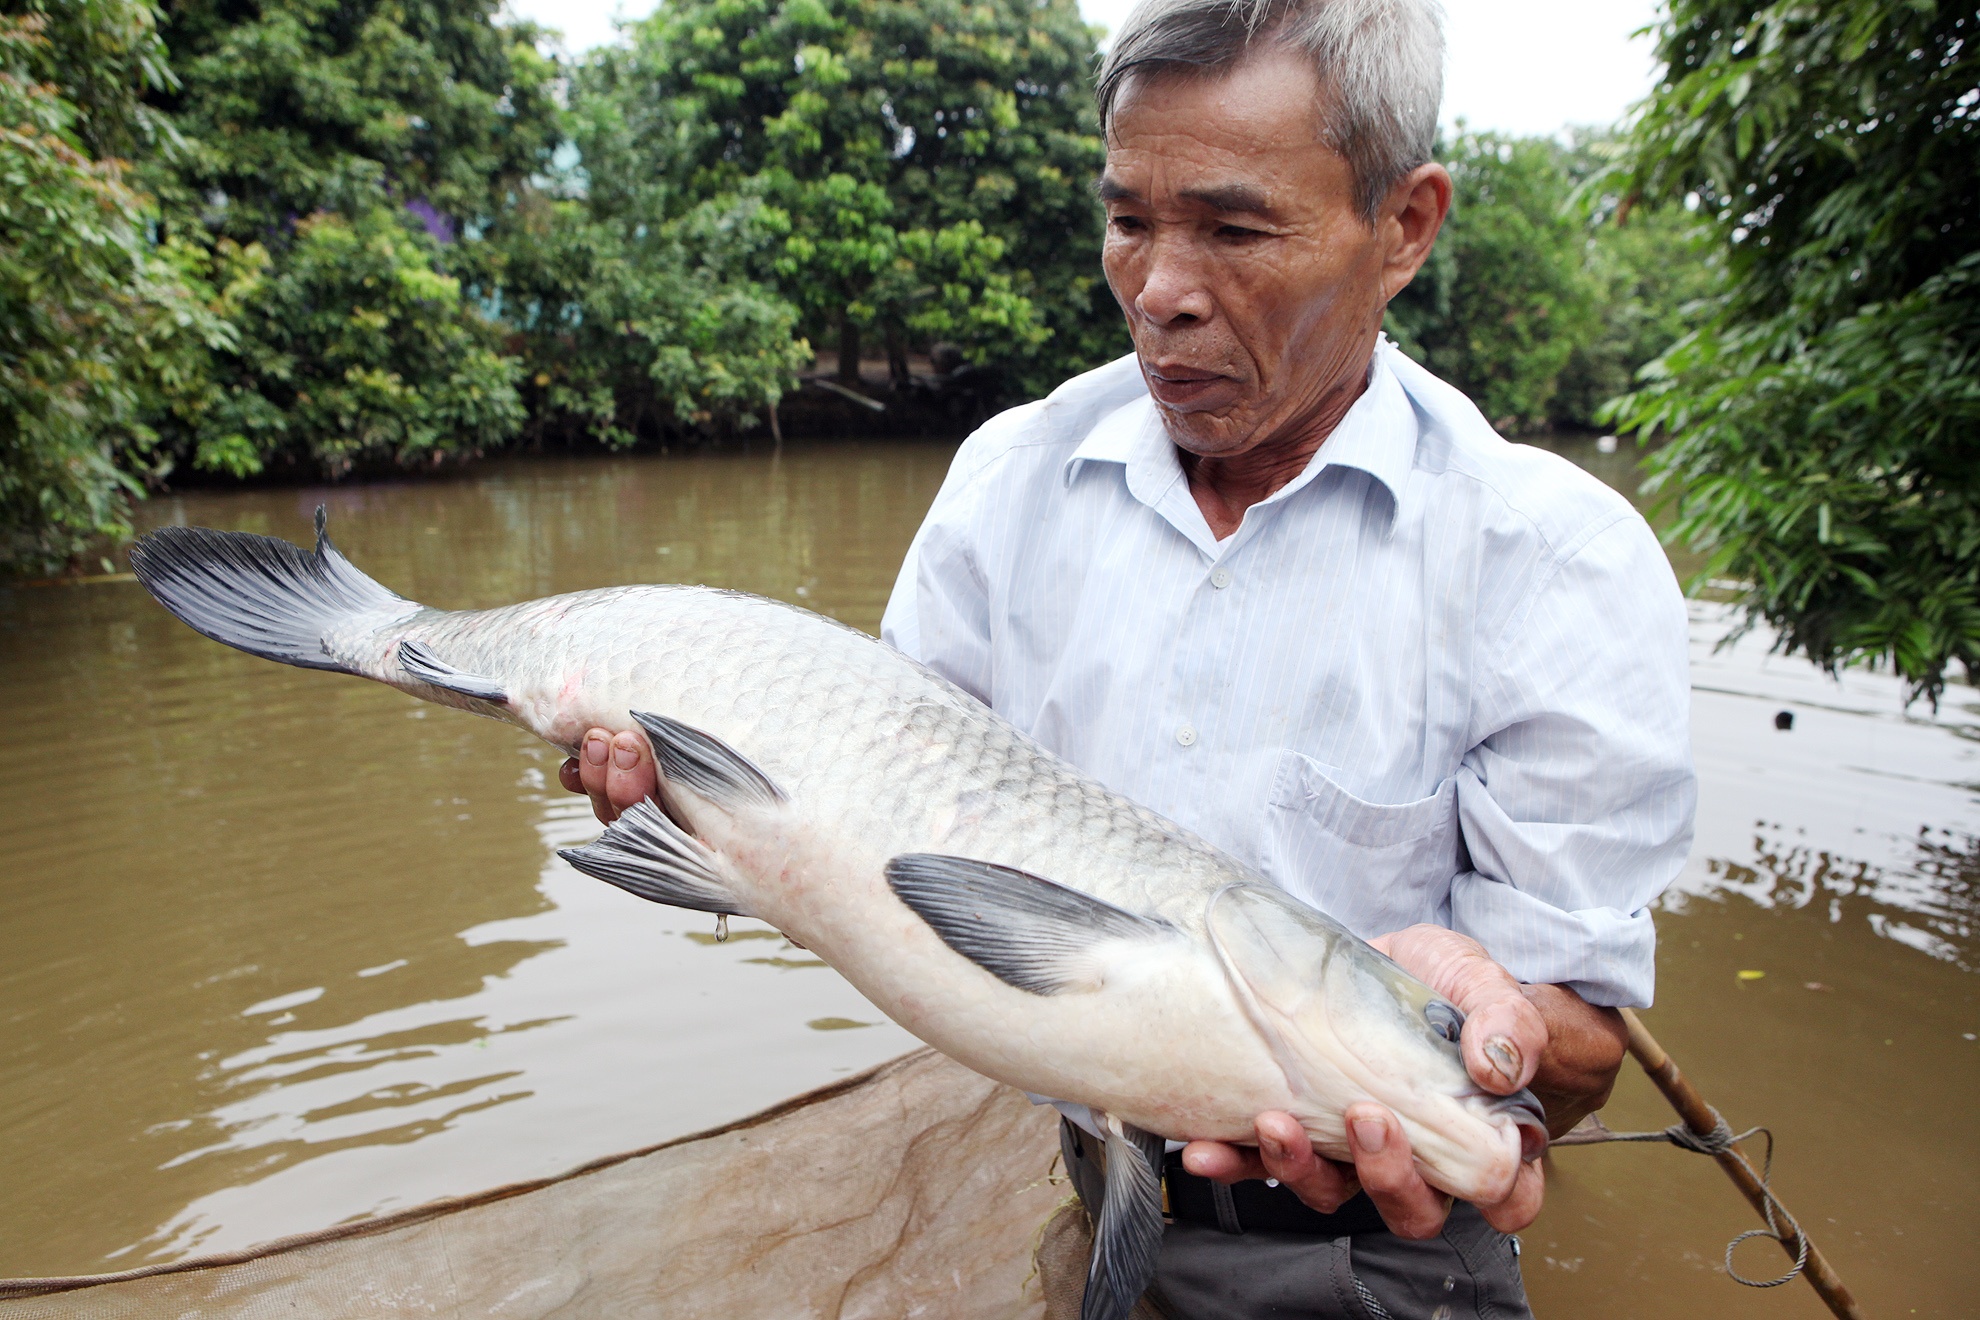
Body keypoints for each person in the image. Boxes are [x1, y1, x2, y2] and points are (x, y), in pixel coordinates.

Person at [561, 0, 1694, 1312]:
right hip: (1099, 1170)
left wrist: (1492, 1020)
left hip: (1386, 1250)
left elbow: (1577, 1049)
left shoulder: (1555, 561)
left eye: (1232, 227)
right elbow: (865, 810)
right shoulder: (1011, 481)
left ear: (1405, 226)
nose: (1159, 292)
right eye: (1128, 219)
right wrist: (696, 803)